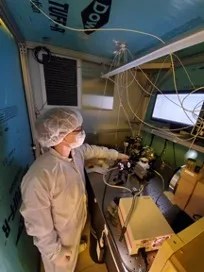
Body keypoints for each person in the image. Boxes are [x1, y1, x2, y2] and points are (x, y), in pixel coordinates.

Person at [20, 108, 129, 272]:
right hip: (59, 239)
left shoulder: (75, 151)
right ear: (61, 136)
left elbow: (92, 150)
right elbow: (39, 226)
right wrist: (55, 253)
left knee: (73, 254)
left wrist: (117, 155)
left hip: (75, 224)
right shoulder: (40, 176)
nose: (82, 133)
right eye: (78, 130)